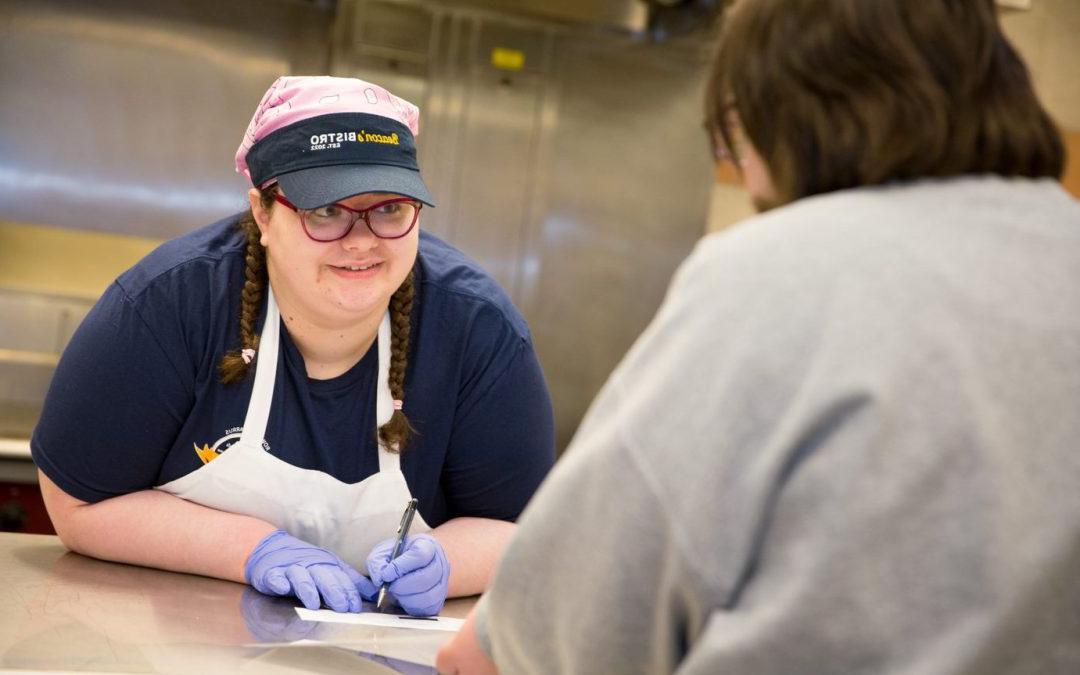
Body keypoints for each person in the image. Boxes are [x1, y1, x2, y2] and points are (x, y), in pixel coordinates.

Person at [436, 0, 1080, 672]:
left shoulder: (781, 270)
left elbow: (557, 627)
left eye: (732, 136)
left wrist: (500, 633)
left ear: (785, 114)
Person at [32, 75, 555, 617]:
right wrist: (251, 550)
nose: (362, 241)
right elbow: (78, 504)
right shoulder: (170, 304)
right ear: (262, 212)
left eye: (391, 209)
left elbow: (523, 531)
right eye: (324, 211)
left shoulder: (476, 329)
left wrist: (445, 564)